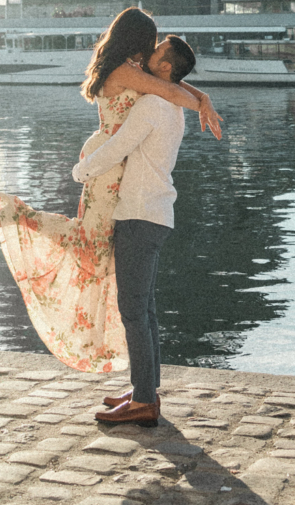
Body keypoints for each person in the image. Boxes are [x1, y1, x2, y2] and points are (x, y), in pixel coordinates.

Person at [0, 7, 220, 373]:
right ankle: (17, 213)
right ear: (137, 42)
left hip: (111, 166)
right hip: (107, 169)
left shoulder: (126, 67)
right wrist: (201, 101)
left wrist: (201, 94)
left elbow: (171, 84)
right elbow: (171, 91)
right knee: (89, 249)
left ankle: (144, 388)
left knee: (94, 252)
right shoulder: (127, 71)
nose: (152, 51)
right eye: (150, 45)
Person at [71, 32, 197, 427]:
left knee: (133, 313)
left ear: (165, 68)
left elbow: (118, 146)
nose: (146, 57)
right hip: (156, 214)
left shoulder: (153, 105)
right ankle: (146, 389)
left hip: (138, 216)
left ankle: (144, 401)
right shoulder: (171, 107)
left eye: (156, 54)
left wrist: (81, 170)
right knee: (146, 310)